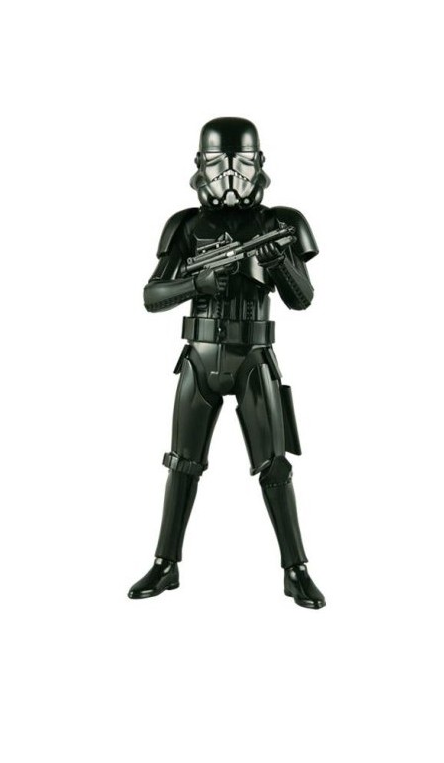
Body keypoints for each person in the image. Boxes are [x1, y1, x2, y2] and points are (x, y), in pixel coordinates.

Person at [127, 117, 325, 609]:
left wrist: (278, 262)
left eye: (242, 164)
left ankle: (296, 569)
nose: (231, 176)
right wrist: (197, 284)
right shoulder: (186, 226)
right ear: (201, 165)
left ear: (259, 164)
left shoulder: (277, 222)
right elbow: (152, 295)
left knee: (275, 466)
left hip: (253, 359)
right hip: (198, 360)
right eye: (219, 164)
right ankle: (165, 564)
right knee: (182, 464)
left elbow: (302, 299)